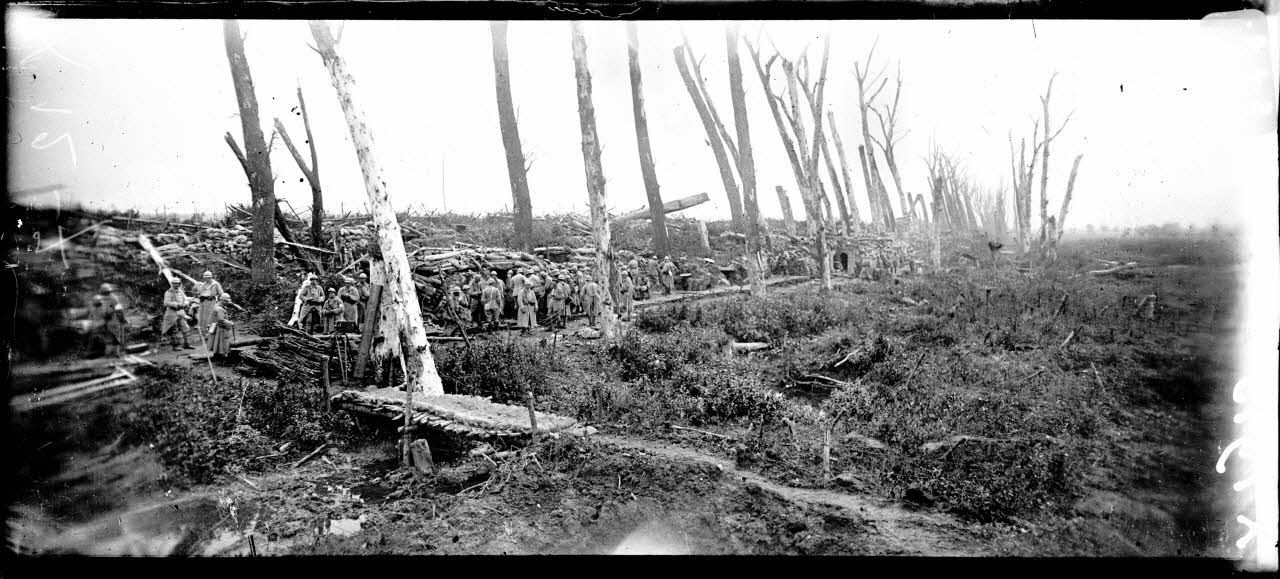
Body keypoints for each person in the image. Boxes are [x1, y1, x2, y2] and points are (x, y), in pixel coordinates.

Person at [161, 277, 195, 350]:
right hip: (172, 313)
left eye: (178, 283)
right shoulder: (168, 292)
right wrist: (176, 304)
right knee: (174, 330)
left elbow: (185, 299)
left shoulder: (180, 291)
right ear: (172, 284)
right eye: (175, 283)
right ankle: (175, 346)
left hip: (181, 313)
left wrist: (185, 303)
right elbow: (166, 303)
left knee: (185, 328)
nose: (176, 285)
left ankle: (187, 344)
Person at [208, 293, 235, 359]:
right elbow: (221, 320)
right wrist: (231, 323)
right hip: (219, 326)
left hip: (214, 325)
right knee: (221, 341)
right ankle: (220, 355)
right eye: (226, 301)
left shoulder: (218, 305)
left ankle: (217, 354)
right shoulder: (219, 308)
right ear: (222, 300)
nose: (227, 303)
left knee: (215, 341)